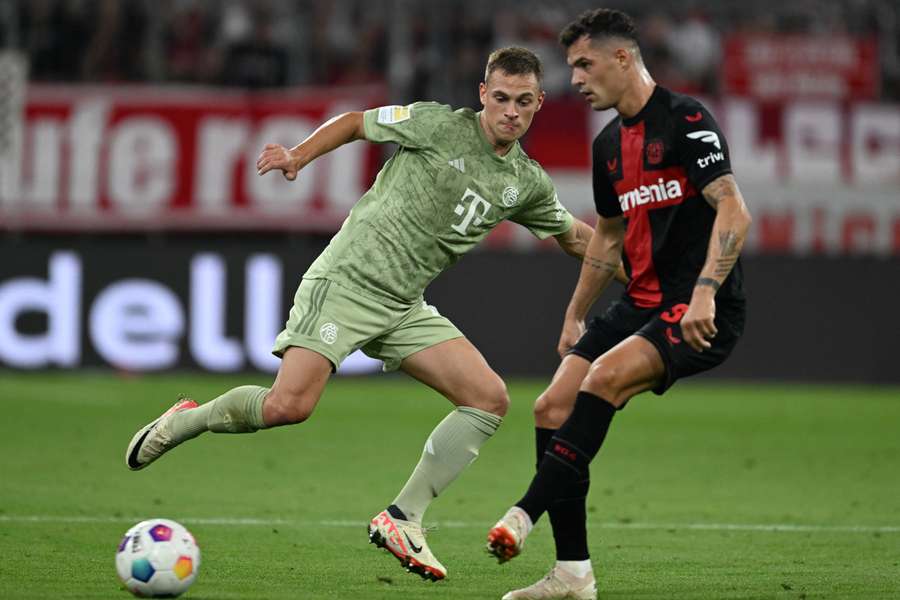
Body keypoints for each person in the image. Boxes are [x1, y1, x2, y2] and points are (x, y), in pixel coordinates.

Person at [125, 46, 597, 583]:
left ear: (539, 104)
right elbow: (354, 123)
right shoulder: (436, 124)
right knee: (288, 406)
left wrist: (642, 271)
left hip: (403, 305)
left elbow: (576, 237)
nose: (512, 111)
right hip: (347, 282)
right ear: (483, 95)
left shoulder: (526, 181)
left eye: (525, 102)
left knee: (487, 398)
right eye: (503, 98)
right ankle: (185, 421)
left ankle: (403, 518)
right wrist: (300, 155)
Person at [485, 9, 752, 600]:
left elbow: (734, 209)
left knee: (602, 379)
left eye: (584, 64)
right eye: (572, 66)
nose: (574, 79)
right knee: (551, 406)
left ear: (622, 59)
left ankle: (523, 515)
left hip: (700, 307)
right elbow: (607, 238)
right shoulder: (608, 146)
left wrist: (707, 290)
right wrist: (574, 313)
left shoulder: (686, 120)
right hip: (639, 302)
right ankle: (572, 575)